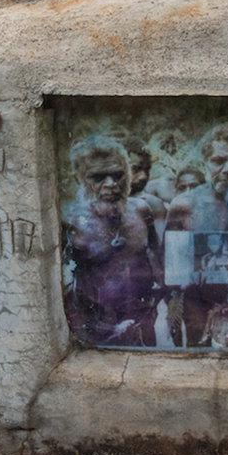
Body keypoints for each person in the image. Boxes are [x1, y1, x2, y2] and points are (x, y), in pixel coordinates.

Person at [166, 124, 228, 346]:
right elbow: (171, 260)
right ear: (205, 162)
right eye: (219, 161)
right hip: (199, 300)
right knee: (201, 364)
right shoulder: (184, 205)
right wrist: (187, 276)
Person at [62, 135, 162, 347]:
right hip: (95, 330)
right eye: (98, 178)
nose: (111, 184)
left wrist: (157, 305)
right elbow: (63, 289)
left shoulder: (142, 211)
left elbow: (159, 265)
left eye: (118, 175)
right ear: (79, 178)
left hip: (142, 323)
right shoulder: (71, 222)